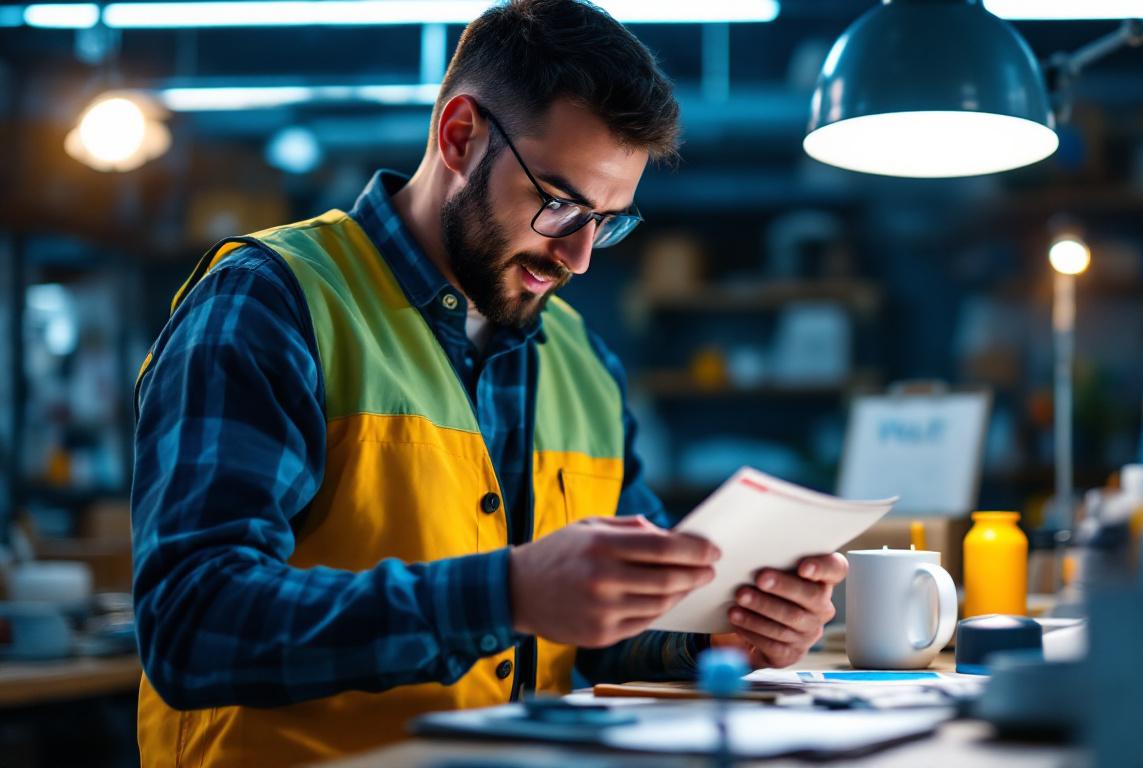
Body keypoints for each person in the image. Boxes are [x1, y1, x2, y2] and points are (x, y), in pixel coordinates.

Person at [131, 1, 846, 764]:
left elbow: (609, 635)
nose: (579, 258)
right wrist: (506, 595)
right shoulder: (270, 302)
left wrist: (723, 633)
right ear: (460, 136)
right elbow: (192, 623)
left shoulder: (583, 361)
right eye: (561, 204)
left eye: (607, 220)